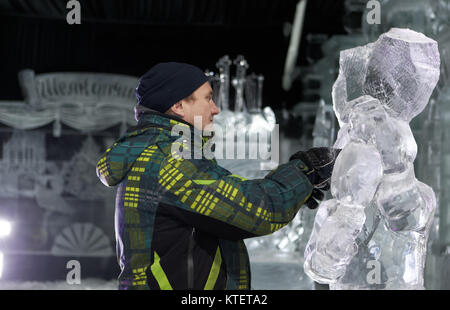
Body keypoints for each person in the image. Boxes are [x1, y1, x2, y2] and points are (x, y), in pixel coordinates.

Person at [96, 62, 340, 290]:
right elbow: (258, 209)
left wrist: (298, 188)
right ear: (178, 106)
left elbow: (225, 210)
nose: (216, 109)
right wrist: (307, 169)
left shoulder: (158, 152)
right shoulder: (170, 159)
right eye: (208, 98)